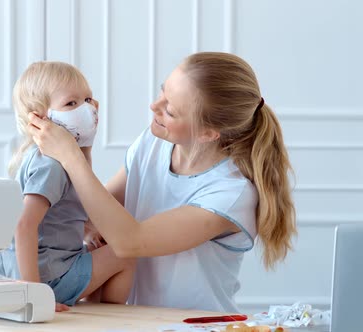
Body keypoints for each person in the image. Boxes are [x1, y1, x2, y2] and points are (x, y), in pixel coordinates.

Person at [27, 52, 297, 313]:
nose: (154, 107)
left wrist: (71, 156)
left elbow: (129, 242)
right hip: (139, 320)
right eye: (162, 91)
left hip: (194, 324)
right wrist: (82, 147)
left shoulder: (231, 192)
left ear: (207, 133)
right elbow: (96, 215)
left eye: (170, 109)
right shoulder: (153, 142)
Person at [0, 61, 135, 312]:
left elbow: (81, 188)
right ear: (40, 116)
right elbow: (23, 226)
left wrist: (86, 144)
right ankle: (110, 317)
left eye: (88, 99)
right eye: (71, 103)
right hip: (45, 276)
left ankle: (88, 308)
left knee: (101, 247)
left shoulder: (49, 155)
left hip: (47, 265)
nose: (86, 108)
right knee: (126, 253)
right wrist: (33, 295)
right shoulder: (52, 165)